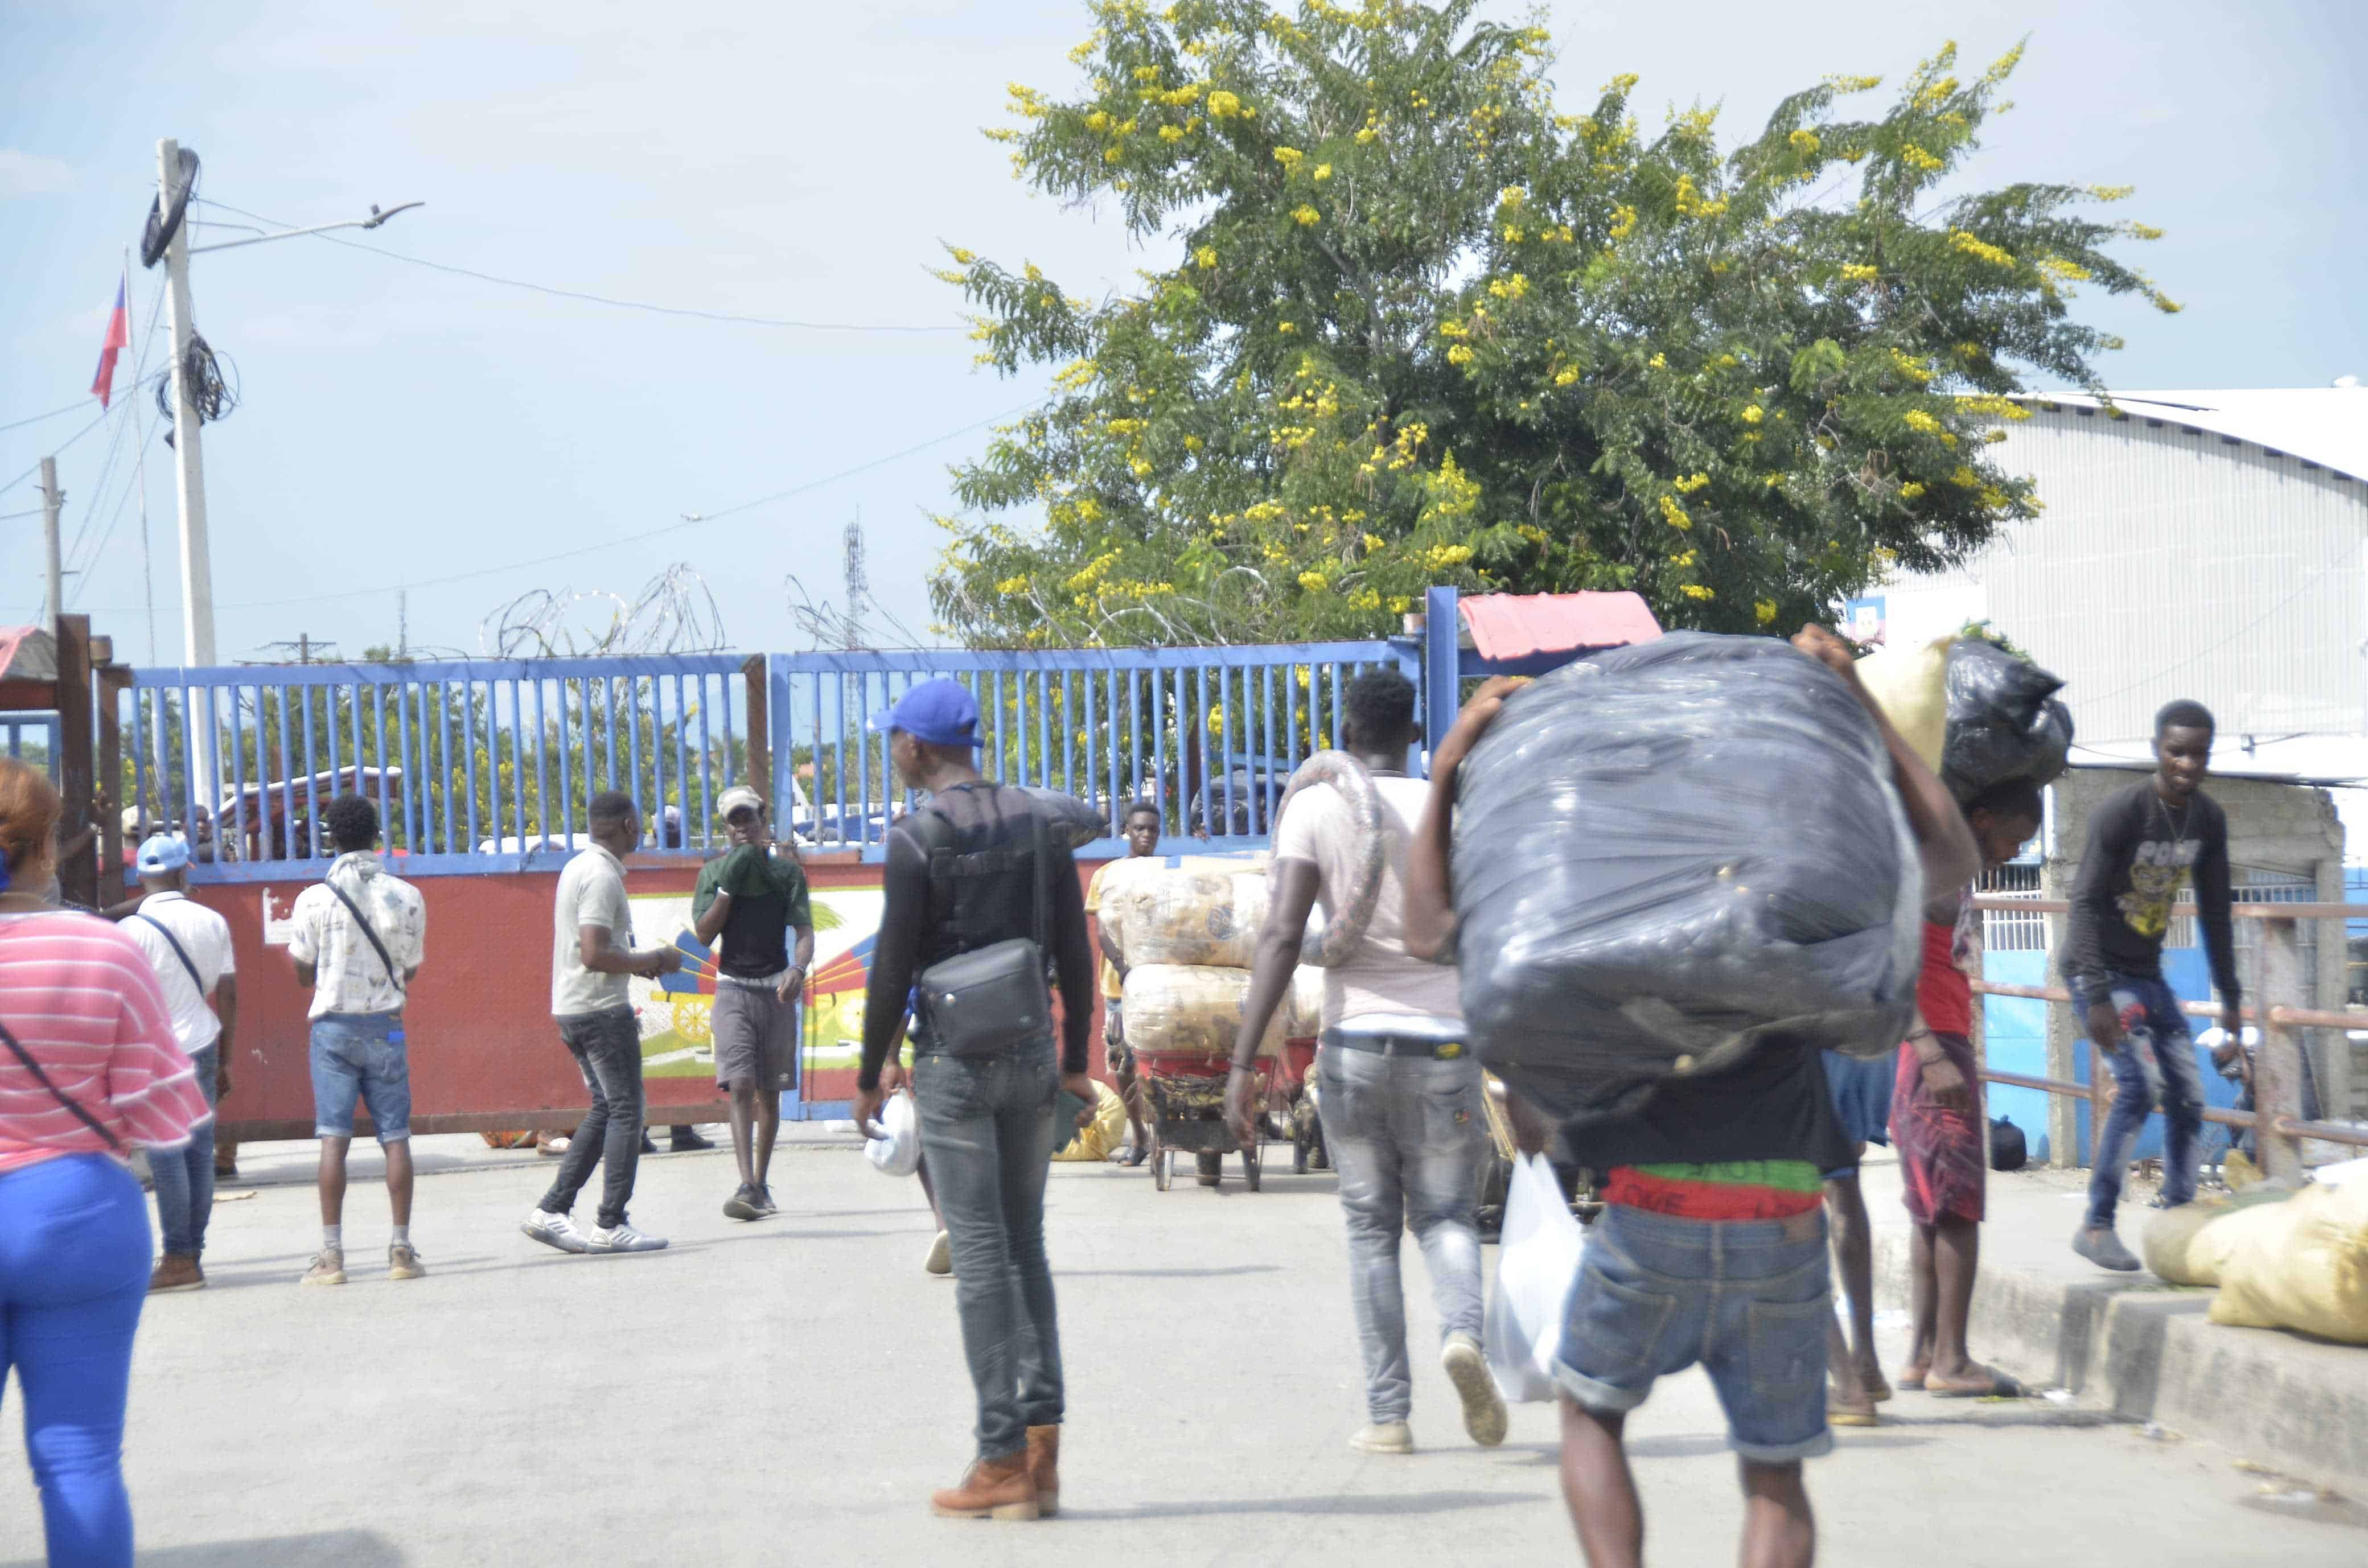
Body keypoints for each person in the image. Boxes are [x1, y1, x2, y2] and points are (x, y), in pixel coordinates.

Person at [1404, 628, 1980, 1568]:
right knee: (1776, 1473)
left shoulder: (1599, 906)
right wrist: (1857, 702)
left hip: (1650, 1218)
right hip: (1786, 1219)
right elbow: (1949, 856)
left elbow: (1429, 932)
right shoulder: (1788, 897)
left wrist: (1446, 775)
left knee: (1591, 1417)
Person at [1223, 667, 1507, 1457]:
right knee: (1449, 1216)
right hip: (1448, 1040)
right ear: (1415, 733)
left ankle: (1388, 1415)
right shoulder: (1450, 804)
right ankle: (1462, 1336)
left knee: (1370, 1229)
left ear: (1346, 731)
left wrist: (1245, 1063)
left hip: (1355, 1043)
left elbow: (1282, 935)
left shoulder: (1316, 804)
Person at [851, 678, 1097, 1522]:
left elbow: (892, 968)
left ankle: (998, 1458)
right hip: (1031, 1053)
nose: (893, 751)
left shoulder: (917, 838)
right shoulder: (1039, 823)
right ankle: (1043, 1453)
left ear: (917, 747)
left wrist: (868, 1071)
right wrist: (1072, 1060)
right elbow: (1075, 946)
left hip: (955, 1059)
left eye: (895, 739)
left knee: (982, 1250)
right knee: (1027, 1241)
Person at [0, 758, 213, 1565]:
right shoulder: (105, 949)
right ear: (48, 845)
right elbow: (165, 1113)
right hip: (78, 1215)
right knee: (80, 1459)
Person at [2064, 699, 2243, 1273]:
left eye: (2197, 752)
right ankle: (2095, 1224)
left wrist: (2230, 998)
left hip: (2144, 971)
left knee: (2189, 1096)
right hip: (2097, 971)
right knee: (2138, 1086)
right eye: (2175, 751)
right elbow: (2085, 901)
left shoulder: (2207, 821)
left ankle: (2178, 1220)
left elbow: (2215, 912)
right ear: (2156, 750)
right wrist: (2092, 994)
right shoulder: (2121, 812)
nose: (2187, 763)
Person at [1893, 778, 2045, 1398]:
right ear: (1979, 818)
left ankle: (1922, 1352)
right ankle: (1950, 1362)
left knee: (1929, 1208)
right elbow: (1891, 961)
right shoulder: (1933, 870)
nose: (2013, 852)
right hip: (1932, 1050)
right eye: (2012, 837)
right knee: (1955, 1208)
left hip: (1927, 1048)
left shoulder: (1940, 867)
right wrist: (1931, 1051)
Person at [521, 791, 683, 1257]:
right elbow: (592, 953)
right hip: (599, 1010)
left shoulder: (577, 867)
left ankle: (552, 1210)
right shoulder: (600, 876)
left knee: (606, 1107)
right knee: (629, 1110)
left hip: (574, 1007)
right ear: (629, 825)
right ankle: (611, 1221)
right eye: (639, 822)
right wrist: (653, 958)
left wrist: (638, 963)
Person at [286, 793, 428, 1287]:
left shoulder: (312, 899)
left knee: (333, 1138)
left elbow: (304, 972)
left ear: (332, 838)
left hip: (333, 1031)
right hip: (386, 1026)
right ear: (376, 836)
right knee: (396, 1137)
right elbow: (410, 967)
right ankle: (402, 1249)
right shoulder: (408, 896)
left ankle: (332, 1256)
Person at [121, 834, 239, 1293]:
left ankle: (178, 1257)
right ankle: (191, 1251)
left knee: (167, 1156)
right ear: (182, 871)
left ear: (143, 876)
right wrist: (227, 1057)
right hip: (204, 1044)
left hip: (156, 1052)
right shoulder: (212, 921)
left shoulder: (132, 929)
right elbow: (227, 993)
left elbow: (126, 1001)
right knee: (199, 1151)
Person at [693, 785, 815, 1221]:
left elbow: (804, 930)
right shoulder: (713, 874)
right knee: (740, 1084)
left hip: (774, 990)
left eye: (750, 817)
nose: (743, 826)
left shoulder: (785, 875)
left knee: (770, 1091)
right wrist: (729, 883)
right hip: (732, 990)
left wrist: (797, 970)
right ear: (725, 828)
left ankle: (761, 1182)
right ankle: (745, 1182)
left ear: (764, 819)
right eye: (735, 820)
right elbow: (705, 934)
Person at [1084, 800, 1162, 1168]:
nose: (1146, 835)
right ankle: (1140, 1137)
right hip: (1118, 988)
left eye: (1153, 829)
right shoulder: (1108, 875)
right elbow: (1103, 927)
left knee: (1160, 1065)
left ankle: (1163, 1136)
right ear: (1126, 832)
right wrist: (1123, 966)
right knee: (1123, 1065)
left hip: (1159, 984)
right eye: (1140, 829)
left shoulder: (1167, 873)